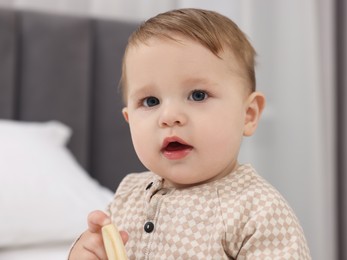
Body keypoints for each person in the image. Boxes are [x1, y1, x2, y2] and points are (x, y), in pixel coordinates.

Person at [69, 8, 311, 259]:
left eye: (198, 95)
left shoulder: (258, 212)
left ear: (248, 114)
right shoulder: (128, 195)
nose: (169, 117)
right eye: (151, 101)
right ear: (129, 120)